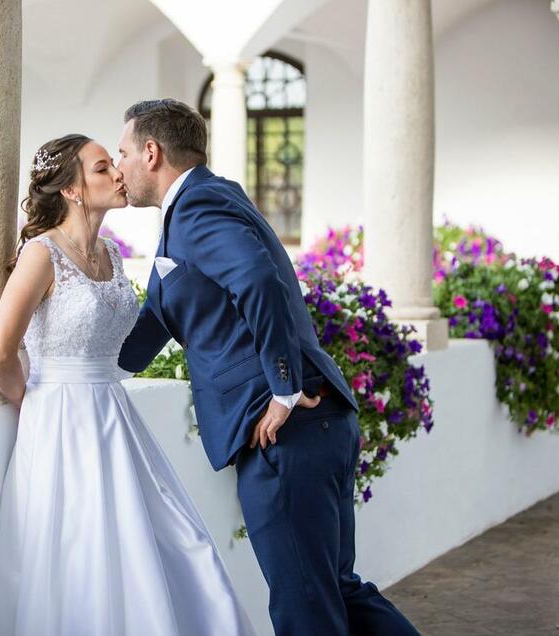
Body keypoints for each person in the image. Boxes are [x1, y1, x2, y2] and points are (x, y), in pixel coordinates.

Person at [115, 98, 421, 636]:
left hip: (285, 429)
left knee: (305, 607)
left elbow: (258, 280)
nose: (119, 168)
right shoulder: (204, 203)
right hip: (316, 423)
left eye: (121, 153)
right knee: (336, 591)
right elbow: (155, 324)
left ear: (150, 151)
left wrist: (282, 388)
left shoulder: (197, 208)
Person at [0, 133, 256, 635]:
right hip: (58, 422)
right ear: (71, 189)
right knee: (80, 552)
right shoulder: (41, 255)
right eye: (102, 167)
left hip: (113, 414)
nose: (117, 174)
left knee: (163, 540)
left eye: (115, 163)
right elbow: (0, 352)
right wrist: (37, 403)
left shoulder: (111, 254)